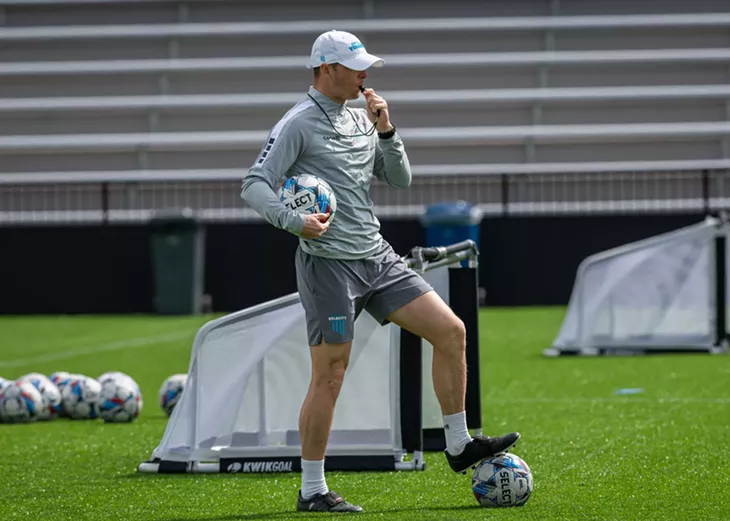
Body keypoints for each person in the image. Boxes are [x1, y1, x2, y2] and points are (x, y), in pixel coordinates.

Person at [240, 29, 520, 514]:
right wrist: (294, 221)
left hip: (378, 257)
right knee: (330, 375)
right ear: (326, 69)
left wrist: (387, 130)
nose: (365, 74)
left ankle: (458, 444)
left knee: (451, 331)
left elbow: (400, 179)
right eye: (355, 66)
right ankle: (312, 490)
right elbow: (254, 184)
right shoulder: (297, 123)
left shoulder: (363, 118)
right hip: (328, 266)